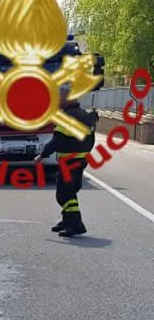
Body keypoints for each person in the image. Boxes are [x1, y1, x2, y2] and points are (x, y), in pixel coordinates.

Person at [36, 96, 98, 237]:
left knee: (64, 194)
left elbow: (57, 141)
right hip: (80, 160)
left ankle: (76, 224)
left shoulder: (66, 117)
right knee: (70, 191)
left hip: (69, 162)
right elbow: (91, 139)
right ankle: (67, 221)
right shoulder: (83, 115)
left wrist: (42, 155)